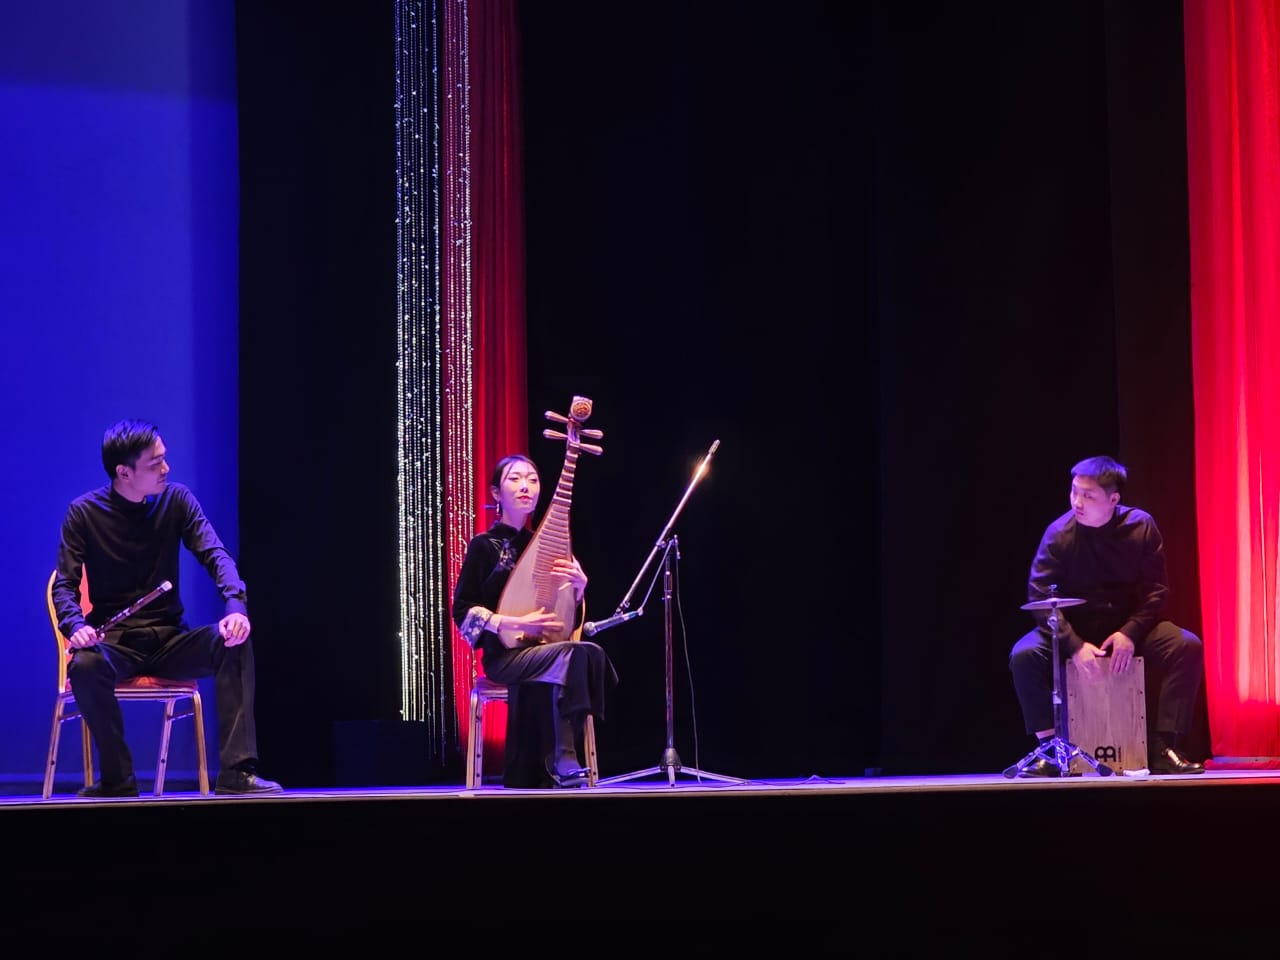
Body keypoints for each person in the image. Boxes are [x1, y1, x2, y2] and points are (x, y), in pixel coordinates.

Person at [51, 419, 282, 797]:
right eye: (155, 463)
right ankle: (118, 779)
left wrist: (235, 606)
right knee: (85, 665)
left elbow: (216, 555)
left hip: (169, 641)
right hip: (116, 645)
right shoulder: (84, 513)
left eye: (164, 458)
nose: (166, 468)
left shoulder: (176, 501)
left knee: (233, 641)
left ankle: (237, 772)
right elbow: (65, 584)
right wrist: (75, 626)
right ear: (124, 473)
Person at [1008, 454, 1205, 777]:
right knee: (1024, 655)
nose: (1077, 502)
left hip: (1128, 627)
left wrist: (1130, 632)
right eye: (1074, 491)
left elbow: (1156, 591)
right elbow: (1040, 597)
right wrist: (1074, 645)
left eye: (1088, 495)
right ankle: (1051, 750)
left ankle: (1163, 747)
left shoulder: (1141, 526)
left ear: (1113, 499)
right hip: (1073, 629)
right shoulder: (1058, 534)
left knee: (1186, 646)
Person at [451, 453, 618, 788]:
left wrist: (579, 590)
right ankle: (562, 757)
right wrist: (513, 623)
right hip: (504, 656)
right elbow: (462, 611)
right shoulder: (484, 546)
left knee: (588, 652)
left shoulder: (544, 545)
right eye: (514, 479)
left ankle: (559, 758)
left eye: (532, 479)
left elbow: (566, 620)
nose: (525, 486)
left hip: (547, 649)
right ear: (496, 493)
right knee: (575, 656)